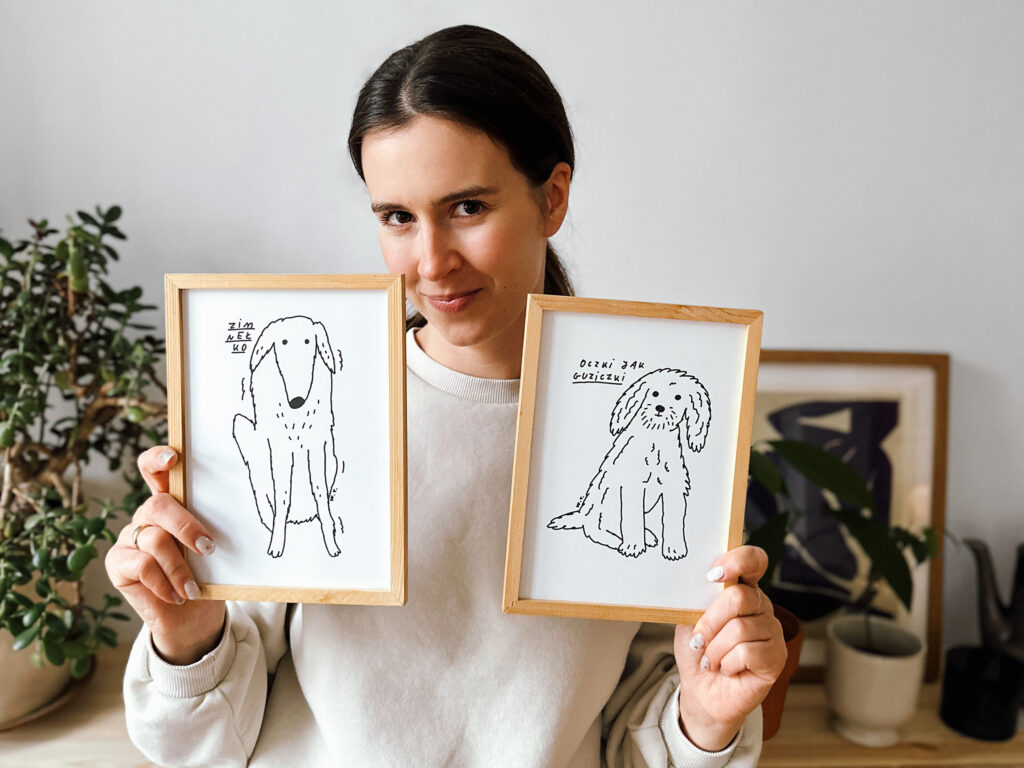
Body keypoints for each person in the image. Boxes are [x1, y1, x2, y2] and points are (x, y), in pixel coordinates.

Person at [107, 24, 786, 767]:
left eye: (467, 207)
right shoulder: (333, 403)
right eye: (398, 217)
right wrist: (186, 635)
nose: (431, 262)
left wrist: (705, 715)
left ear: (553, 197)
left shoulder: (636, 416)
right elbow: (199, 745)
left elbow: (639, 736)